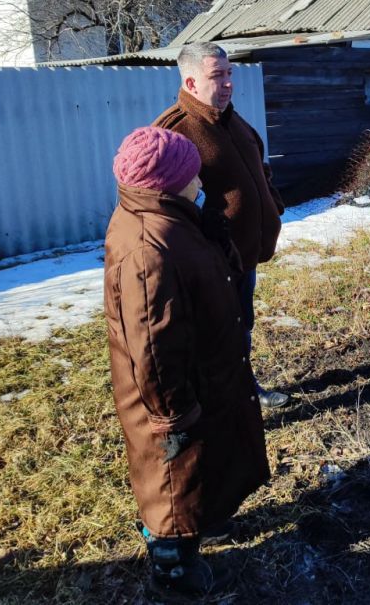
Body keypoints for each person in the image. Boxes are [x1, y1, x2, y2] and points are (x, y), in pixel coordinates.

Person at [104, 127, 269, 598]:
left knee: (196, 470)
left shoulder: (164, 217)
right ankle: (172, 569)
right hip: (170, 395)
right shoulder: (147, 250)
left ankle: (194, 531)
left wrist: (214, 235)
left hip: (199, 374)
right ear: (169, 181)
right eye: (192, 173)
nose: (200, 180)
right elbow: (151, 343)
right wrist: (170, 415)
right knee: (172, 477)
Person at [153, 41, 289, 408]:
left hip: (242, 254)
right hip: (210, 261)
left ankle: (243, 388)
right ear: (192, 83)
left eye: (229, 73)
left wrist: (271, 205)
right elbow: (159, 206)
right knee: (214, 334)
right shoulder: (173, 133)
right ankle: (219, 403)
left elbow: (261, 167)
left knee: (241, 323)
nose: (228, 83)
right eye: (217, 76)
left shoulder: (233, 120)